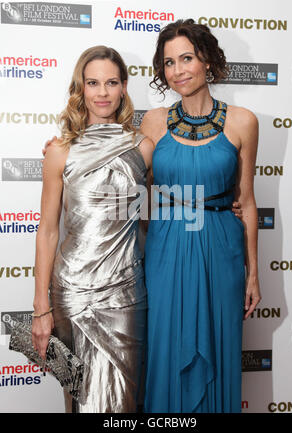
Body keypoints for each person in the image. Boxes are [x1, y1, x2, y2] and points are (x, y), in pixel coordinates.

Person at [140, 19, 261, 413]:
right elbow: (126, 180)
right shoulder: (153, 122)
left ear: (206, 60)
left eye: (186, 58)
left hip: (221, 246)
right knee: (166, 347)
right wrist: (68, 149)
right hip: (166, 247)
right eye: (169, 63)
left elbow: (248, 200)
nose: (178, 71)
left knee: (220, 345)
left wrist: (254, 272)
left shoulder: (243, 121)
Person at [31, 45, 154, 413]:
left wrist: (213, 205)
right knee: (79, 400)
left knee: (126, 402)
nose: (102, 92)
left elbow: (149, 216)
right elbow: (48, 230)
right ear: (80, 89)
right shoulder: (59, 151)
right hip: (72, 293)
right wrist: (41, 307)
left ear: (124, 87)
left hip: (126, 294)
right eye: (93, 82)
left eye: (111, 82)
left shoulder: (143, 147)